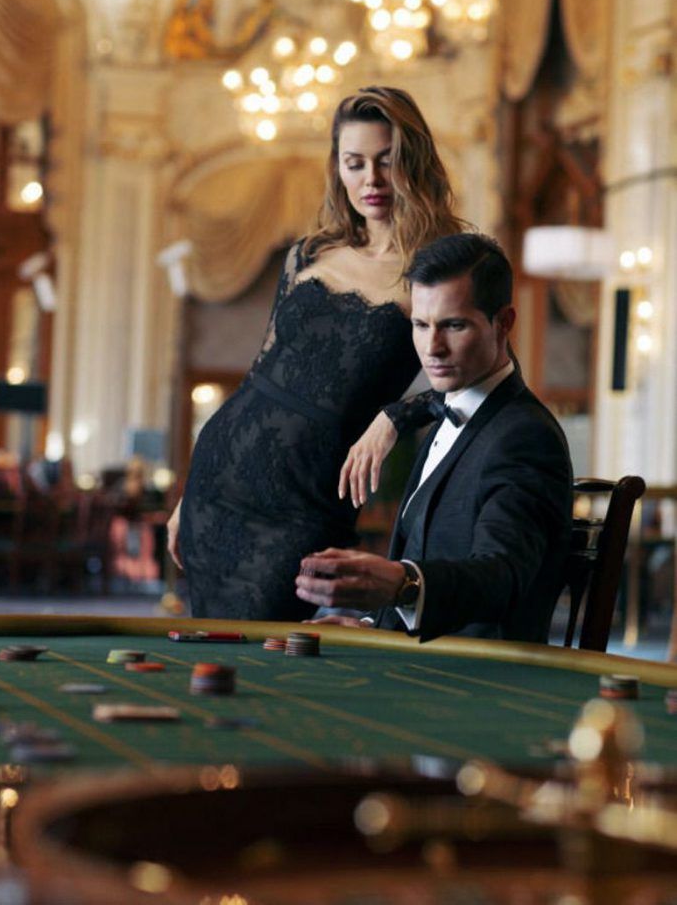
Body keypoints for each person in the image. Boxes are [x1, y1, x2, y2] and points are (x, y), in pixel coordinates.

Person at [168, 86, 462, 618]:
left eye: (387, 162)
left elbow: (474, 382)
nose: (370, 180)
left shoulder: (437, 266)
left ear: (413, 163)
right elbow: (260, 373)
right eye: (354, 163)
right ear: (338, 167)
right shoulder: (311, 252)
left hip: (304, 501)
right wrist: (191, 494)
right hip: (219, 480)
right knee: (212, 648)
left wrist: (394, 417)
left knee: (263, 647)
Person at [296, 232, 573, 643]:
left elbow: (504, 575)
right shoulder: (451, 412)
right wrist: (374, 626)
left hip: (479, 681)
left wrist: (400, 583)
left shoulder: (525, 436)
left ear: (504, 323)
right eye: (421, 325)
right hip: (422, 656)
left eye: (454, 325)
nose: (432, 347)